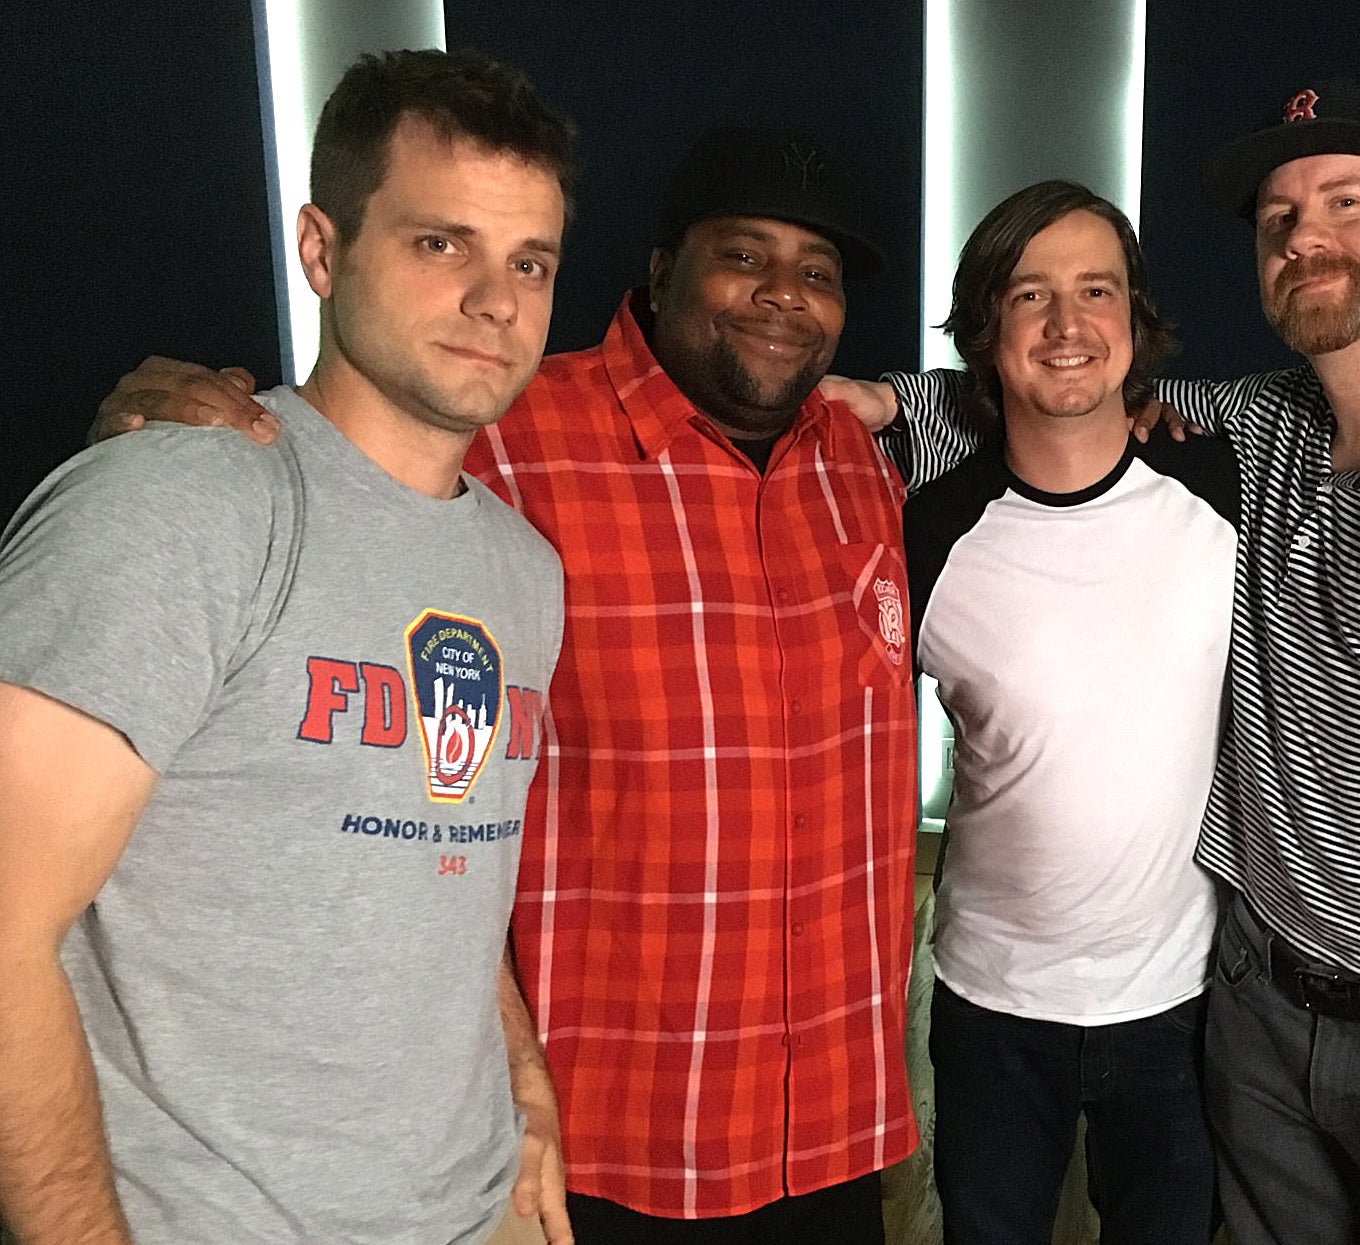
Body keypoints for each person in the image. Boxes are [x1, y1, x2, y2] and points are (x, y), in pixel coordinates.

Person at [862, 77, 1360, 1245]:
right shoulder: (1259, 430)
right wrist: (879, 401)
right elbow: (1061, 399)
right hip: (1249, 1010)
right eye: (1280, 219)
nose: (1306, 239)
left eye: (1345, 202)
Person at [91, 125, 922, 1243]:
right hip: (596, 1141)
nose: (782, 295)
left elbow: (1043, 402)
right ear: (662, 268)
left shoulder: (857, 462)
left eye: (816, 273)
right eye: (744, 255)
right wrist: (164, 431)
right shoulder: (504, 435)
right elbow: (326, 463)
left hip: (829, 1126)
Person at [0, 49, 576, 1245]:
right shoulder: (178, 504)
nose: (495, 300)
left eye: (529, 262)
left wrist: (521, 1095)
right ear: (323, 251)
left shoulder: (524, 572)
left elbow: (443, 868)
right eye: (440, 243)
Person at [902, 180, 1234, 1245]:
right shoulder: (928, 532)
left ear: (1133, 323)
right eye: (1029, 295)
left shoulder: (1217, 479)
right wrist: (897, 398)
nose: (1064, 324)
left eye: (1095, 291)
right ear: (986, 329)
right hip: (991, 1003)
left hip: (1177, 1003)